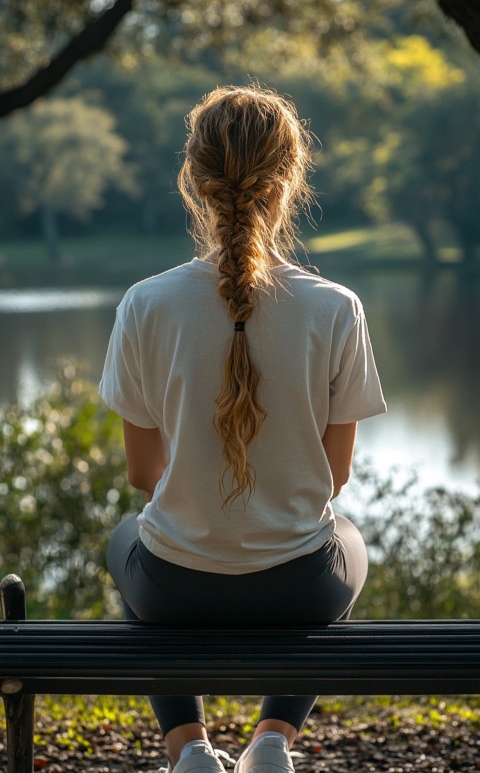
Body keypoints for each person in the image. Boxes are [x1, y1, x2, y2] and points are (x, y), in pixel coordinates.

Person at [99, 84, 386, 773]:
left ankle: (188, 747)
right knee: (348, 538)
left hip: (174, 589)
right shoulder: (337, 308)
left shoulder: (144, 303)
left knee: (125, 536)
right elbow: (334, 477)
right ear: (289, 181)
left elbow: (144, 476)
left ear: (195, 183)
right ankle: (272, 740)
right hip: (299, 586)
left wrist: (202, 515)